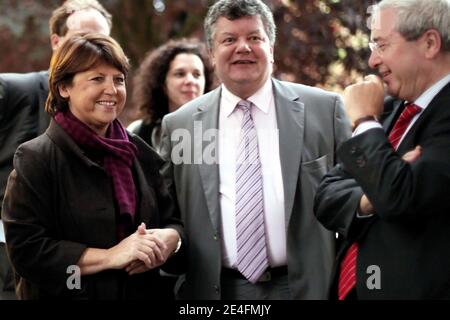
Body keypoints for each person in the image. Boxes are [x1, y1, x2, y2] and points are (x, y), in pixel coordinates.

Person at [160, 0, 351, 300]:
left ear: (271, 48)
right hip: (218, 290)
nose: (243, 48)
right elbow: (170, 214)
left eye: (254, 38)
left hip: (308, 287)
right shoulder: (180, 125)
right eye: (229, 39)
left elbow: (352, 197)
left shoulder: (324, 110)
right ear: (211, 53)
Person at [2, 33, 184, 300]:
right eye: (97, 78)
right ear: (64, 87)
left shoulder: (138, 151)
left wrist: (170, 240)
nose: (112, 90)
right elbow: (27, 251)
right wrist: (111, 256)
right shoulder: (35, 158)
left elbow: (174, 221)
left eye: (118, 80)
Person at [314, 0, 450, 299]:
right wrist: (367, 198)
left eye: (382, 45)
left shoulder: (374, 117)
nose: (373, 61)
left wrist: (364, 122)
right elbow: (326, 194)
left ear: (429, 43)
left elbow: (399, 196)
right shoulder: (389, 111)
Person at [0, 0, 112, 297]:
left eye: (99, 39)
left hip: (86, 275)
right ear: (56, 42)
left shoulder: (109, 117)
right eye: (81, 38)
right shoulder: (13, 90)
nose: (91, 48)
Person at [128, 38, 215, 154]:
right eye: (180, 74)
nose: (190, 80)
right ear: (163, 83)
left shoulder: (220, 130)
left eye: (197, 74)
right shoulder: (138, 134)